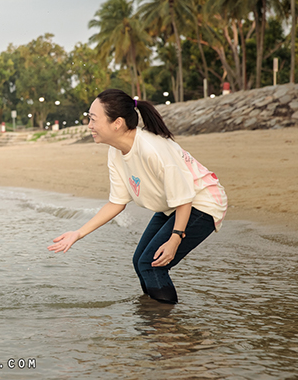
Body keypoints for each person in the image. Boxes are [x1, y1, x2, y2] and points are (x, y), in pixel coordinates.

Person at [47, 89, 227, 304]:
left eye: (93, 119)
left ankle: (167, 327)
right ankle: (153, 316)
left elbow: (185, 197)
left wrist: (175, 238)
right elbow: (116, 203)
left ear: (117, 123)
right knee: (139, 261)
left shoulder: (152, 149)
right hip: (172, 205)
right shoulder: (116, 151)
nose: (89, 125)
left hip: (202, 203)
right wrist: (78, 233)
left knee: (151, 264)